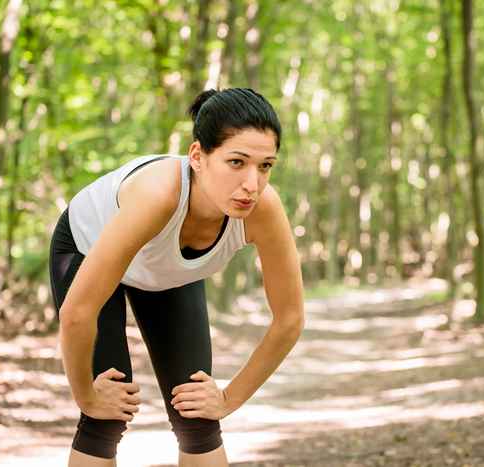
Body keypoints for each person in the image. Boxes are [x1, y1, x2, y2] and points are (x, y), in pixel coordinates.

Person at [48, 88, 304, 467]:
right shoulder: (158, 195)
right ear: (198, 156)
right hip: (87, 247)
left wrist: (228, 399)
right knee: (106, 414)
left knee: (197, 410)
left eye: (266, 165)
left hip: (165, 270)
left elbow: (290, 319)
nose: (252, 183)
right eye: (237, 162)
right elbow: (77, 314)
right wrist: (86, 396)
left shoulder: (263, 209)